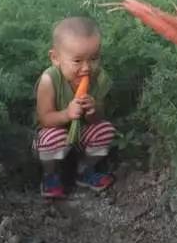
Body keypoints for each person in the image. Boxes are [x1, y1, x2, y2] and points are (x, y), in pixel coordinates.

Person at [33, 16, 116, 198]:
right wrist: (66, 114)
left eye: (94, 58)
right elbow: (44, 118)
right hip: (53, 134)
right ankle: (51, 176)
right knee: (51, 138)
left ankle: (84, 170)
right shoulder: (49, 80)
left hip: (82, 135)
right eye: (77, 61)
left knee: (105, 130)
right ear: (55, 58)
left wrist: (94, 111)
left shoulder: (100, 78)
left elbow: (99, 117)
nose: (87, 67)